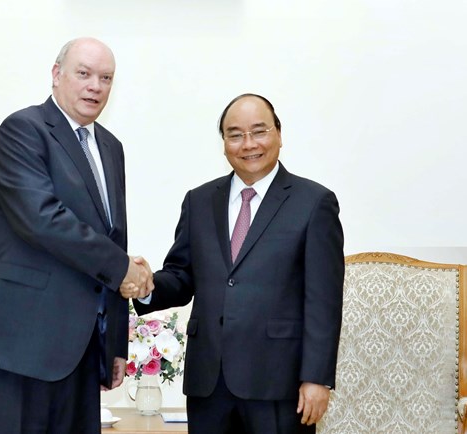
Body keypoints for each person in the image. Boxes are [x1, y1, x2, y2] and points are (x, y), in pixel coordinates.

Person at [0, 37, 153, 434]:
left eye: (105, 78)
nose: (95, 86)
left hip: (81, 352)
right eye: (83, 73)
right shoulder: (23, 129)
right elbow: (42, 219)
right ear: (56, 75)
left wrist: (115, 343)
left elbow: (114, 238)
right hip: (16, 343)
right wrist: (124, 269)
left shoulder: (111, 147)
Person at [133, 93, 344, 434]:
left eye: (259, 131)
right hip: (208, 384)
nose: (248, 144)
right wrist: (144, 286)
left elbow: (324, 300)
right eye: (235, 134)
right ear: (224, 143)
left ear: (278, 134)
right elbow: (182, 276)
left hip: (278, 384)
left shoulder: (314, 203)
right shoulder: (199, 200)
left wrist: (317, 378)